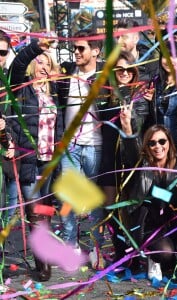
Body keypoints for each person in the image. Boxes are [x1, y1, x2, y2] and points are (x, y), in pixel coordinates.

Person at [119, 102, 177, 284]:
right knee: (166, 254)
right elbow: (132, 148)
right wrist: (127, 126)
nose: (158, 146)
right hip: (149, 222)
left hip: (174, 219)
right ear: (147, 146)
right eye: (152, 143)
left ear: (169, 143)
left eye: (162, 141)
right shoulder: (141, 165)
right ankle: (153, 259)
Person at [9, 37, 64, 281]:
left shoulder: (53, 94)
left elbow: (59, 128)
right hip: (30, 160)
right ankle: (44, 264)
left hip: (49, 162)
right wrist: (34, 48)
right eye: (39, 62)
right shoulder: (23, 91)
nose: (43, 66)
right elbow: (17, 67)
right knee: (34, 212)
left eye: (47, 63)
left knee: (44, 210)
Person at [57, 29, 106, 269]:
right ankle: (70, 244)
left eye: (81, 48)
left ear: (95, 51)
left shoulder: (106, 76)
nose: (76, 52)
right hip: (69, 146)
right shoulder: (67, 75)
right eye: (74, 48)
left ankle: (97, 247)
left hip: (96, 146)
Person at [0, 30, 18, 223]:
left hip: (4, 155)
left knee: (7, 209)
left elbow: (14, 117)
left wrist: (10, 140)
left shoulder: (8, 80)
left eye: (3, 52)